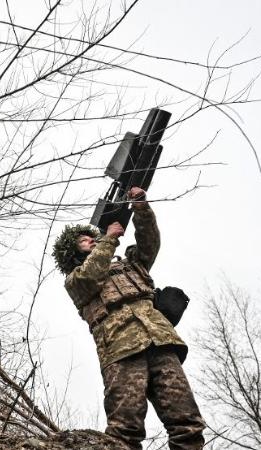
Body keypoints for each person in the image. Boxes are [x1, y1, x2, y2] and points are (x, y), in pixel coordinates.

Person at [52, 187, 205, 450]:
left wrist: (141, 207)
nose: (91, 240)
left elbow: (150, 243)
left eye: (93, 237)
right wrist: (108, 239)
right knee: (125, 431)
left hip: (160, 342)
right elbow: (91, 276)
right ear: (73, 253)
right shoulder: (75, 281)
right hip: (121, 352)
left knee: (187, 423)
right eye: (84, 241)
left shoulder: (130, 264)